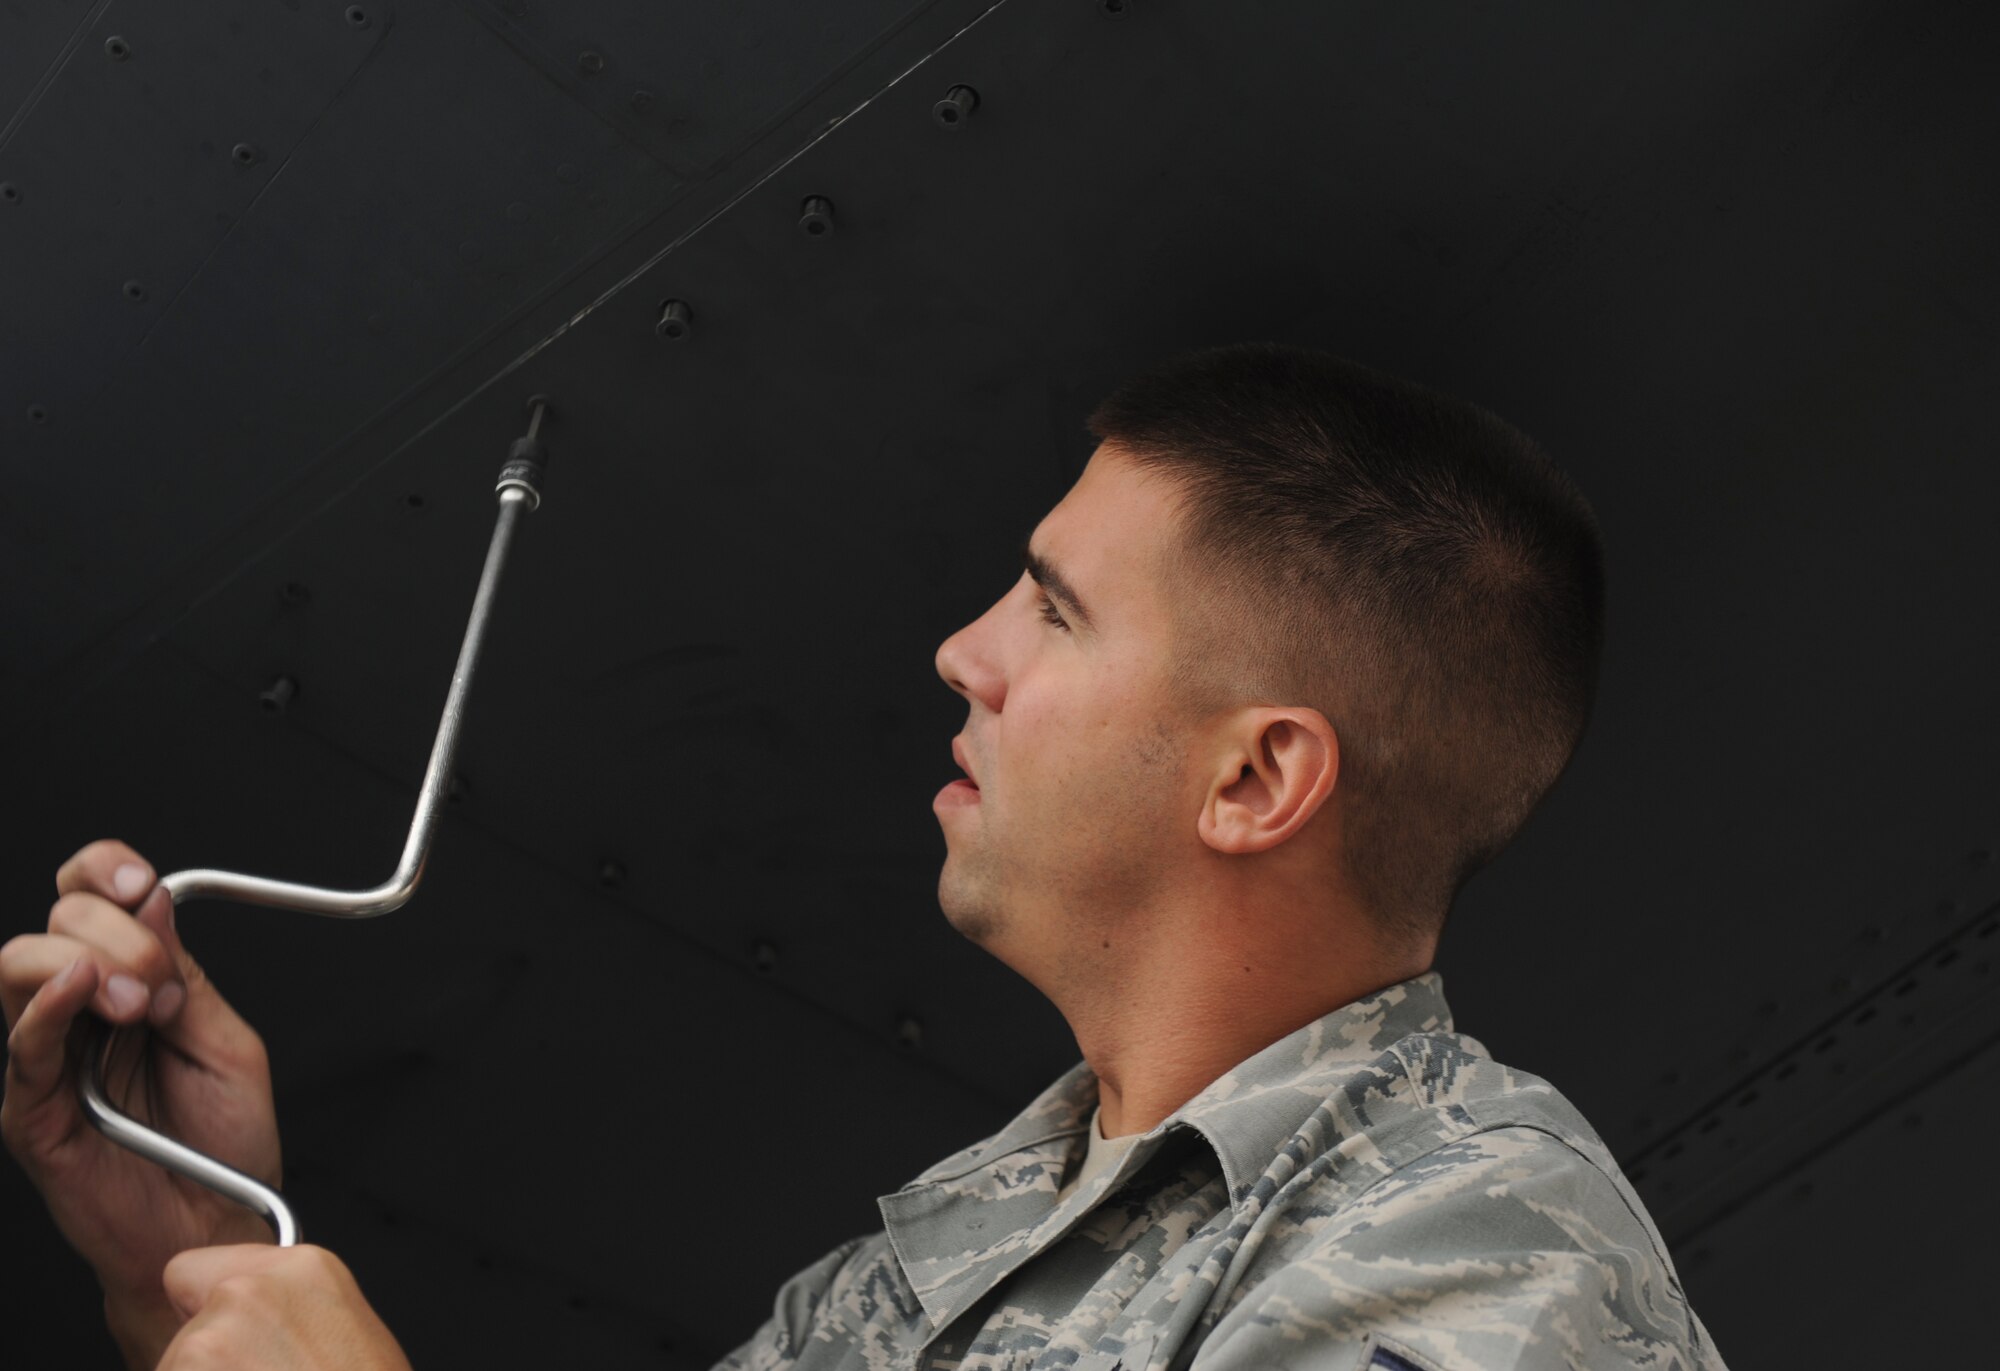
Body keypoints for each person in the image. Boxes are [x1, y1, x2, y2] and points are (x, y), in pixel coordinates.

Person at [2, 342, 1726, 1369]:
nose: (965, 653)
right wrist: (190, 1260)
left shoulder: (1485, 1251)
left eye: (1052, 612)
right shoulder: (916, 1286)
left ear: (1259, 777)